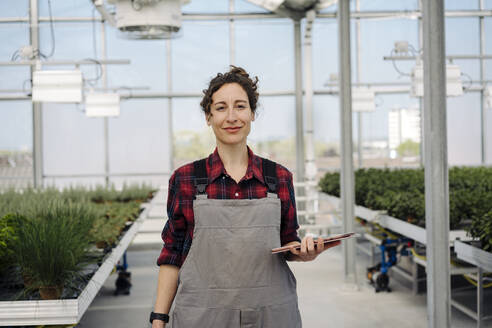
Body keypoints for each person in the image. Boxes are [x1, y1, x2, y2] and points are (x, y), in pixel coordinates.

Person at [150, 66, 340, 328]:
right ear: (208, 116)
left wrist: (304, 253)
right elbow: (172, 253)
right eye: (220, 108)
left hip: (271, 315)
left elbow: (287, 243)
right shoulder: (186, 179)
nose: (231, 117)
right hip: (203, 317)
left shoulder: (278, 178)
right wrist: (158, 319)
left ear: (252, 113)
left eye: (240, 106)